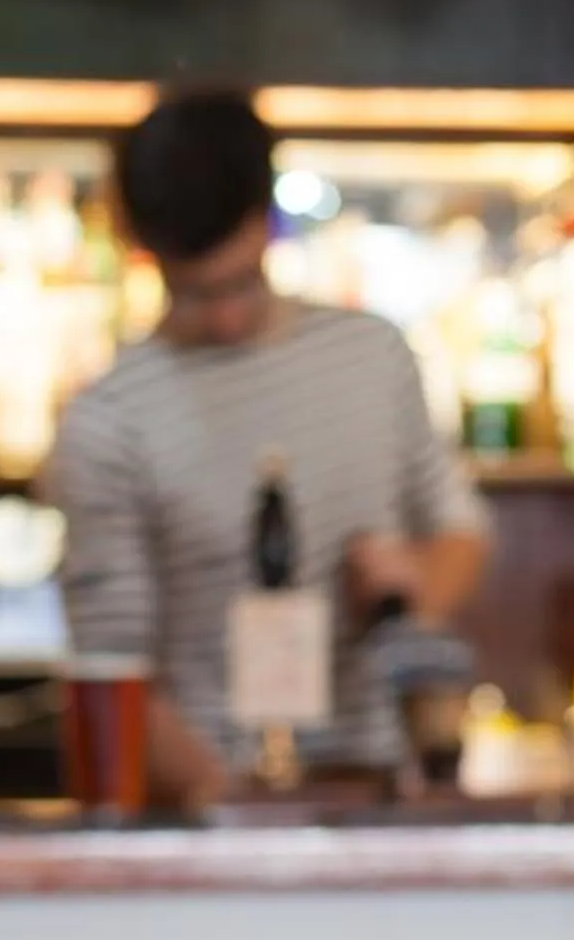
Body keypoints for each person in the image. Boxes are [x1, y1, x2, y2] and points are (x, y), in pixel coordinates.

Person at [41, 89, 493, 804]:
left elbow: (458, 530)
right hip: (210, 813)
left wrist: (412, 589)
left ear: (269, 219)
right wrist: (233, 811)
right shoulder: (109, 420)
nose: (225, 319)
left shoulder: (370, 356)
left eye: (241, 283)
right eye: (194, 293)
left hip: (374, 793)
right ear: (139, 245)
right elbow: (116, 670)